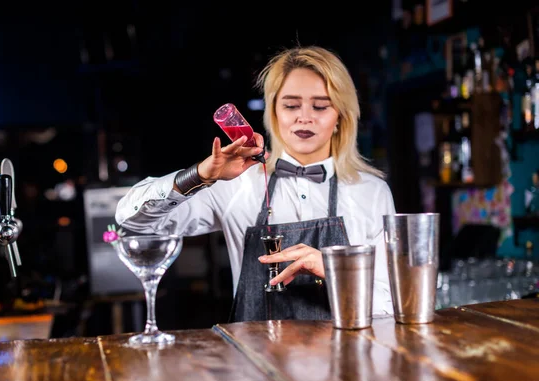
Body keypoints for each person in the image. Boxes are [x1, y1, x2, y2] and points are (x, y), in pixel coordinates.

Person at [115, 45, 396, 322]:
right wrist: (199, 175)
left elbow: (390, 303)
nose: (304, 117)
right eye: (290, 105)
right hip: (255, 362)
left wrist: (336, 271)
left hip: (345, 361)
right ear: (274, 113)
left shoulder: (370, 192)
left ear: (340, 117)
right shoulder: (237, 183)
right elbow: (133, 221)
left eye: (321, 106)